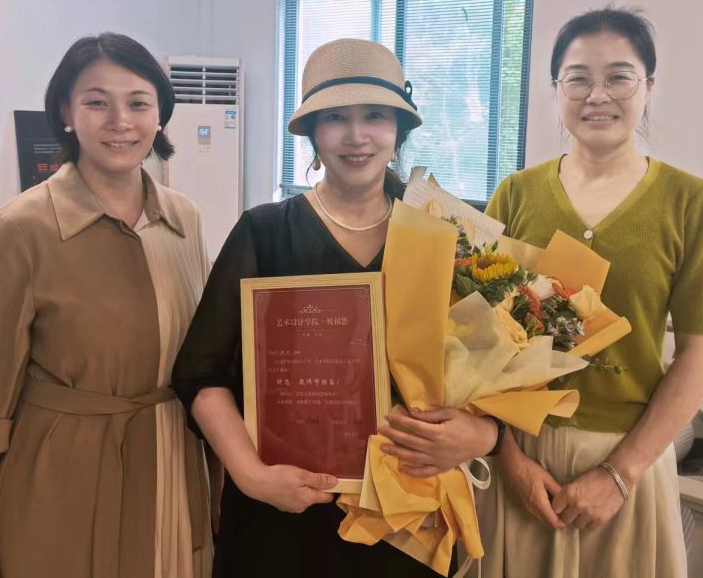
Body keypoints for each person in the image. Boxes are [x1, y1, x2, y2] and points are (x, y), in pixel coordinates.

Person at [172, 38, 501, 577]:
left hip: (406, 518)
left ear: (398, 131)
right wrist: (252, 476)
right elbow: (202, 374)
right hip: (285, 513)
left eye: (375, 116)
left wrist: (482, 435)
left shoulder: (448, 235)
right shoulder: (263, 232)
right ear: (312, 133)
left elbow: (502, 368)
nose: (356, 136)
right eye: (335, 118)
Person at [478, 7, 703, 578]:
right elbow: (480, 345)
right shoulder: (516, 194)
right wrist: (508, 457)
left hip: (627, 465)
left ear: (649, 86)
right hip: (523, 461)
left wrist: (620, 474)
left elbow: (701, 357)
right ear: (556, 89)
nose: (598, 95)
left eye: (619, 77)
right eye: (578, 79)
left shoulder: (689, 202)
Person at [0, 33, 212, 578]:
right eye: (97, 102)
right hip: (62, 475)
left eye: (138, 103)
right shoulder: (21, 229)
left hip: (170, 459)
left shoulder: (184, 218)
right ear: (67, 112)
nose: (121, 121)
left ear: (160, 114)